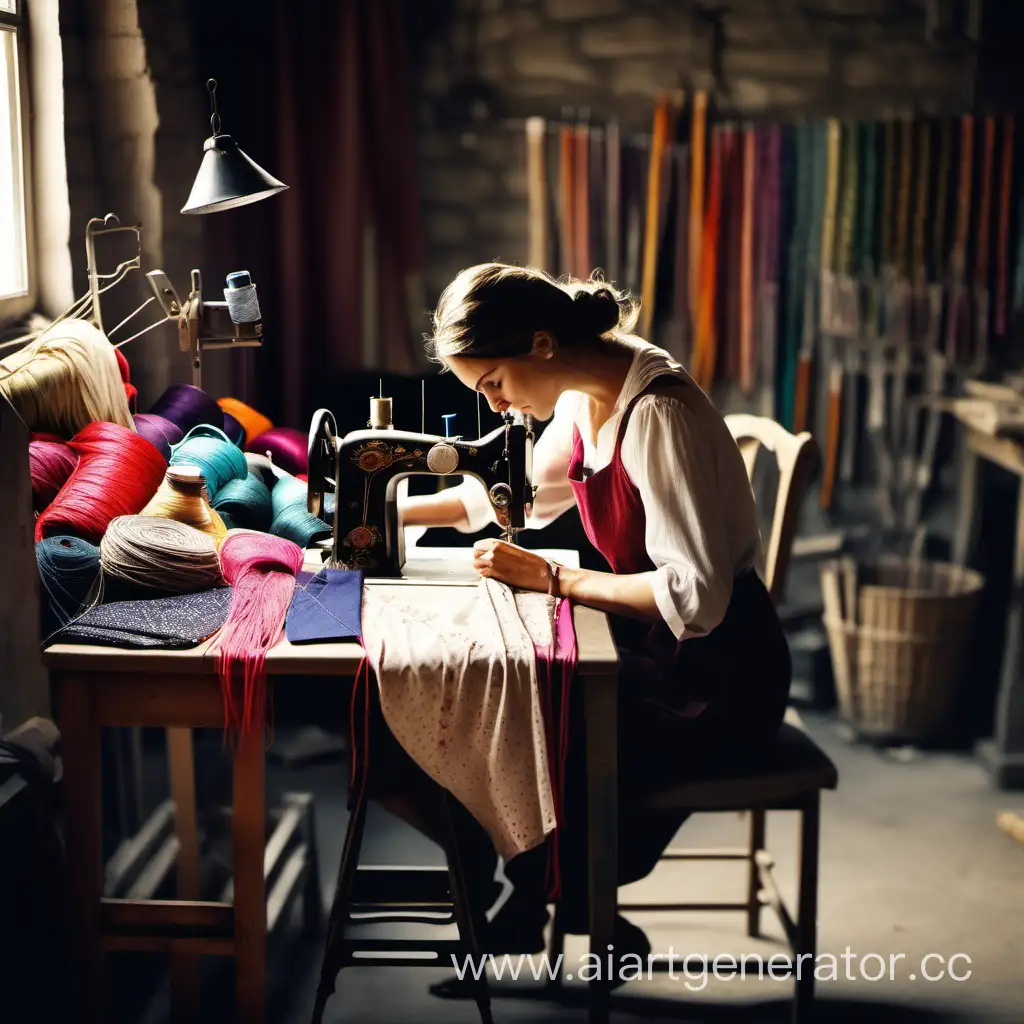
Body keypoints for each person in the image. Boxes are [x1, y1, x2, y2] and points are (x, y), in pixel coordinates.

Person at [398, 262, 792, 968]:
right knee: (493, 710)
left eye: (492, 384)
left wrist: (554, 576)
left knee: (518, 728)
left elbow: (696, 597)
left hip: (716, 679)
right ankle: (551, 900)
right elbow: (515, 493)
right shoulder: (588, 394)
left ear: (541, 344)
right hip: (654, 649)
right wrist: (381, 509)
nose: (493, 407)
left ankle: (573, 899)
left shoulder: (659, 414)